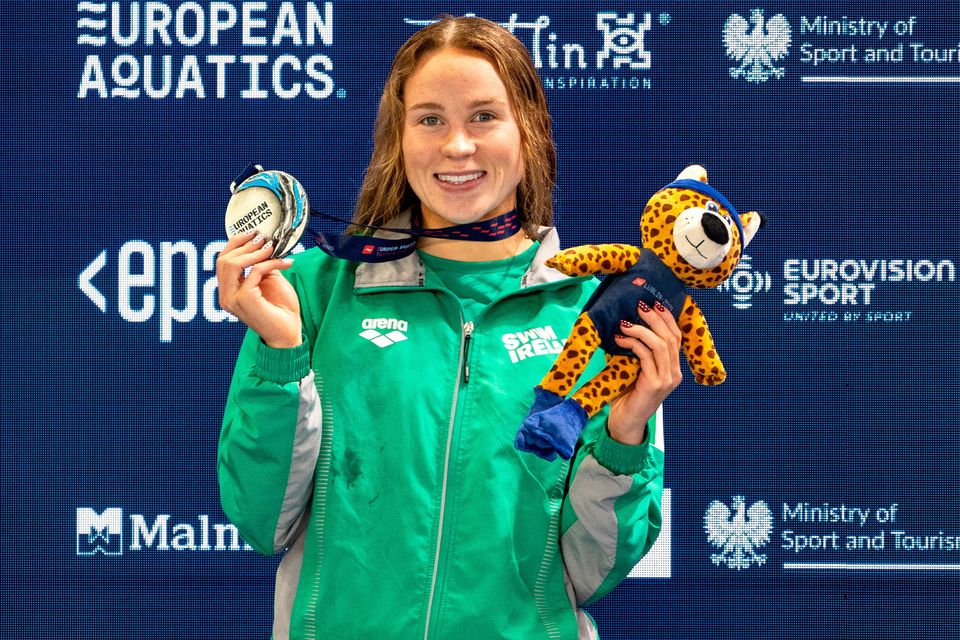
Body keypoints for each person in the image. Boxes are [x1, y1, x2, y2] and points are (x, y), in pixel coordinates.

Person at [216, 15, 681, 640]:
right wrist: (280, 359)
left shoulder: (592, 315)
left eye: (484, 116)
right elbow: (260, 520)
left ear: (531, 131)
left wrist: (625, 433)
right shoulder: (316, 290)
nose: (457, 147)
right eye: (430, 118)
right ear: (397, 138)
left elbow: (594, 571)